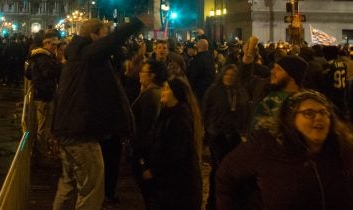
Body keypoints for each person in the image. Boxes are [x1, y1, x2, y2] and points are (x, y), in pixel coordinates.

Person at [52, 18, 143, 210]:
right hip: (81, 132)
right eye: (103, 34)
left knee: (69, 184)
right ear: (94, 35)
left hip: (69, 128)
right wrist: (136, 23)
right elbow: (113, 41)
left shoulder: (78, 54)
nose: (105, 39)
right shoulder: (87, 54)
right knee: (92, 187)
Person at [216, 90, 353, 209]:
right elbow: (226, 174)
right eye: (309, 113)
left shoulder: (342, 149)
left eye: (324, 112)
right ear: (291, 118)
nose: (318, 117)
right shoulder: (268, 144)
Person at [140, 77, 203, 210]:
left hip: (178, 187)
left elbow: (176, 154)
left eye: (167, 88)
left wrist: (154, 171)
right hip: (168, 185)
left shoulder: (180, 119)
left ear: (176, 94)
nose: (163, 91)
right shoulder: (167, 112)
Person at [201, 64, 250, 210]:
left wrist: (243, 131)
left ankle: (228, 198)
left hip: (234, 135)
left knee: (231, 167)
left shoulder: (240, 92)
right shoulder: (214, 91)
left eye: (232, 75)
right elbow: (205, 110)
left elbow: (245, 111)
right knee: (219, 166)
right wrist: (208, 129)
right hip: (217, 134)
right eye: (226, 74)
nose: (229, 77)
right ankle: (214, 200)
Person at [130, 59, 168, 209]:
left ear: (152, 75)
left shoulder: (151, 96)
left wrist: (142, 159)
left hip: (146, 151)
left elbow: (146, 127)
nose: (140, 74)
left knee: (149, 193)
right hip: (149, 149)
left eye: (143, 72)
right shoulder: (152, 92)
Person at [24, 30, 63, 159]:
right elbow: (47, 73)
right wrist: (60, 65)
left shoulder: (36, 55)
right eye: (53, 45)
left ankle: (40, 150)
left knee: (41, 124)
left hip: (39, 93)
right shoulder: (44, 57)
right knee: (44, 126)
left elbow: (28, 73)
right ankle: (42, 152)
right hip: (44, 94)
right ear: (46, 44)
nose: (55, 48)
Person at [187, 38, 216, 104]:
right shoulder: (211, 58)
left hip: (200, 91)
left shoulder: (197, 60)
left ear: (198, 46)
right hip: (209, 89)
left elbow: (193, 76)